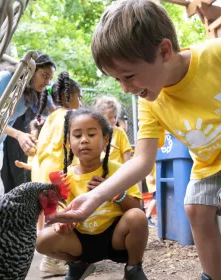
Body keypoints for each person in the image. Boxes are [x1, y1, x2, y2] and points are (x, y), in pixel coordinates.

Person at [47, 0, 221, 280]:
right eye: (118, 80)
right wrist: (94, 197)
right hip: (210, 156)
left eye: (129, 76)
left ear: (164, 51)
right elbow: (143, 161)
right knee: (194, 209)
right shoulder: (150, 101)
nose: (126, 88)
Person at [36, 108, 148, 280]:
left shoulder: (119, 170)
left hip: (115, 238)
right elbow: (64, 212)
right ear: (68, 142)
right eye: (78, 135)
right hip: (82, 242)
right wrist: (63, 223)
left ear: (105, 140)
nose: (84, 140)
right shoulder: (65, 178)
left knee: (136, 217)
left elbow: (137, 207)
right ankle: (78, 265)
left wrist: (114, 192)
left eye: (91, 134)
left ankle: (133, 268)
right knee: (42, 239)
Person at [0, 54, 55, 217]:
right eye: (44, 76)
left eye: (50, 78)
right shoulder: (6, 79)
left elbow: (51, 114)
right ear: (32, 70)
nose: (47, 82)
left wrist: (32, 135)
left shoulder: (35, 93)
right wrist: (19, 136)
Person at [32, 71, 82, 275]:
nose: (81, 101)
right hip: (59, 172)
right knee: (64, 214)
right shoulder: (72, 116)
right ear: (69, 96)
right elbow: (72, 146)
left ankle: (53, 253)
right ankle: (53, 259)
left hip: (41, 172)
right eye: (79, 96)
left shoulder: (50, 117)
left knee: (50, 214)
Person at [94, 95, 132, 164]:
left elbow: (127, 157)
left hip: (118, 172)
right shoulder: (95, 133)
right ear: (100, 117)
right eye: (110, 117)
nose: (114, 120)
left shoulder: (119, 132)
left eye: (115, 116)